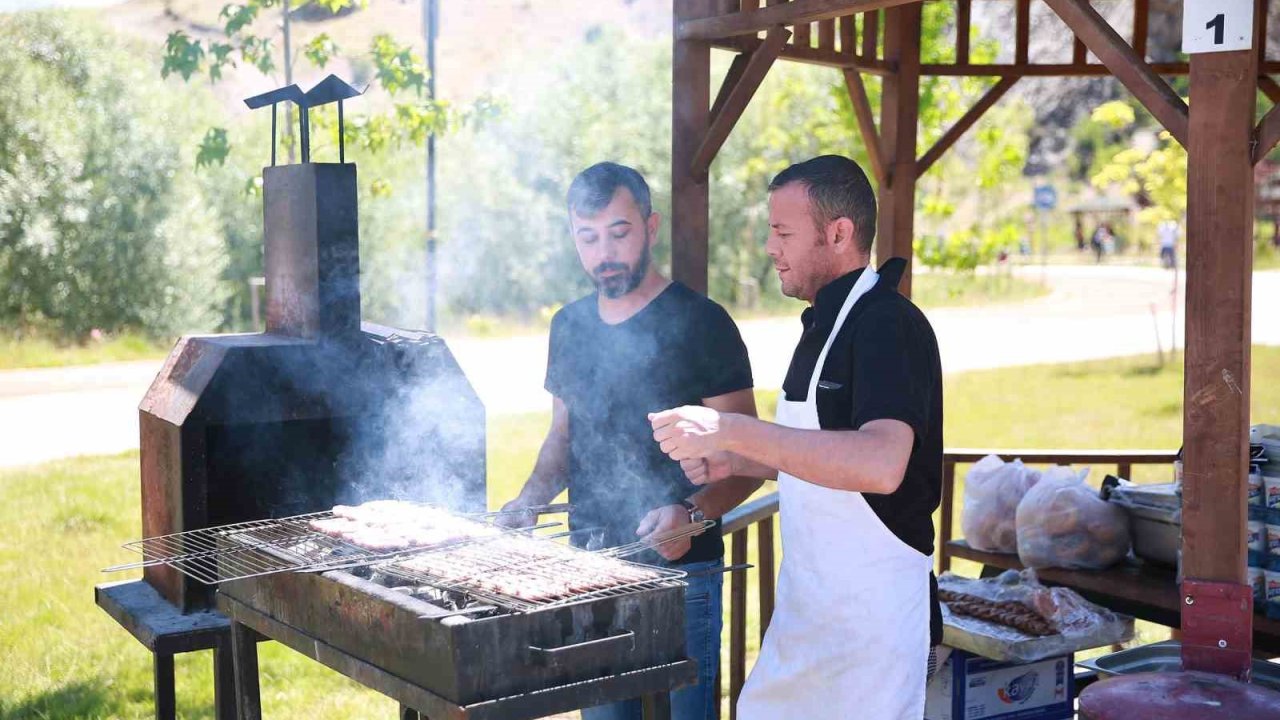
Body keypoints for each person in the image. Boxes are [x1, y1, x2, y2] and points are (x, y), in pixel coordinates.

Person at [649, 155, 943, 719]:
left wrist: (734, 429)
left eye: (782, 231)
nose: (768, 246)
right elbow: (821, 454)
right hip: (808, 616)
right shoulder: (822, 324)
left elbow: (881, 464)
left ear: (838, 234)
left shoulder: (889, 324)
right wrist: (735, 457)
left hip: (869, 635)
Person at [499, 161, 762, 720]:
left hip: (682, 576)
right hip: (591, 570)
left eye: (618, 232)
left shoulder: (703, 323)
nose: (604, 253)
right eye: (587, 237)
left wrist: (689, 515)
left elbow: (751, 461)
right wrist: (529, 500)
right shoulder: (568, 326)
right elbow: (562, 437)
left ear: (650, 225)